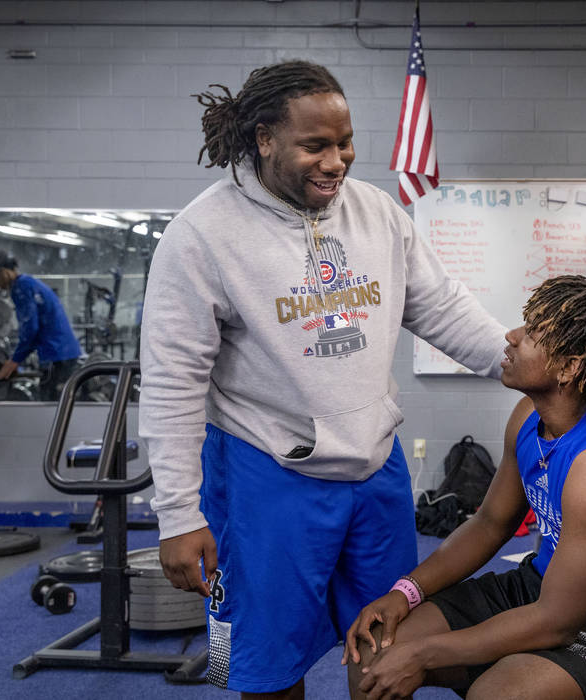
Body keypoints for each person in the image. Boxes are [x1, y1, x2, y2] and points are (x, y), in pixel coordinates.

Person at [137, 60, 506, 698]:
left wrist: (523, 365)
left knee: (390, 648)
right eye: (316, 146)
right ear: (264, 139)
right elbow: (172, 384)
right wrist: (176, 515)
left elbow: (441, 308)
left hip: (374, 469)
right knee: (263, 663)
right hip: (265, 478)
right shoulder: (201, 236)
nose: (336, 161)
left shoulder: (377, 214)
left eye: (345, 143)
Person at [344, 275, 586, 700]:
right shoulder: (527, 417)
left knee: (497, 695)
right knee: (372, 652)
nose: (512, 336)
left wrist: (426, 654)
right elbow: (489, 524)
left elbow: (557, 621)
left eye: (532, 332)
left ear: (569, 367)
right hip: (543, 587)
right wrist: (406, 592)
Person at [0, 248, 82, 401]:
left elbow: (30, 328)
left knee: (52, 406)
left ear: (2, 272)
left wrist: (14, 361)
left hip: (57, 356)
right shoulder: (29, 283)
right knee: (60, 403)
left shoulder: (20, 287)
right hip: (64, 353)